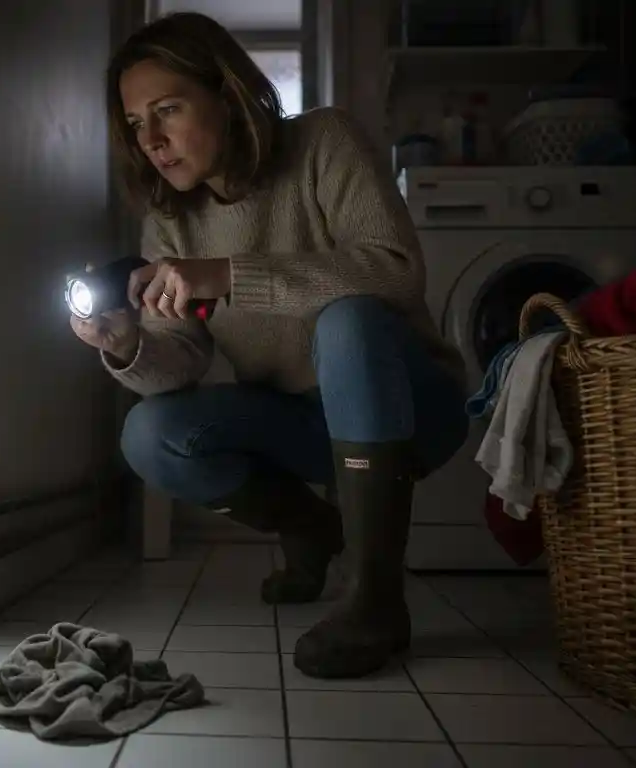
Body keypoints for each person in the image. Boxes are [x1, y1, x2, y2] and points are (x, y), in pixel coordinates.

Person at [71, 11, 468, 680]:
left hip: (411, 408)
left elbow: (394, 268)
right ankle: (313, 529)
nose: (154, 141)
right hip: (298, 422)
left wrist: (229, 277)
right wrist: (129, 344)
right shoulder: (170, 219)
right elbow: (184, 359)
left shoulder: (324, 141)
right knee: (150, 434)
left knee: (349, 321)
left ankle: (375, 597)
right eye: (138, 124)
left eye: (168, 110)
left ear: (226, 94)